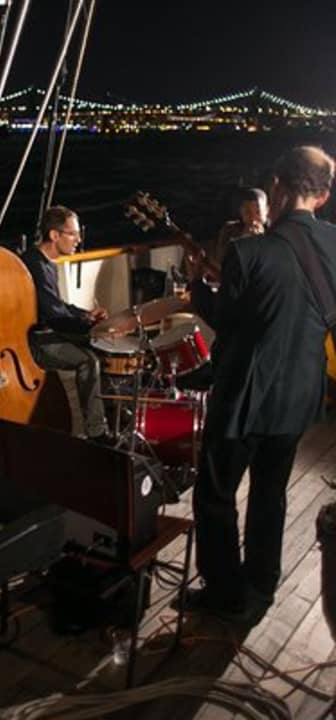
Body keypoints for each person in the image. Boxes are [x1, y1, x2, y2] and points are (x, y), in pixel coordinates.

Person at [184, 146, 336, 624]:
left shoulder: (247, 253)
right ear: (324, 196)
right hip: (301, 395)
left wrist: (197, 287)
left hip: (244, 399)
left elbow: (226, 322)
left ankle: (225, 592)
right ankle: (262, 584)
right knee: (271, 491)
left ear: (277, 187)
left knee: (215, 494)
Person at [21, 206, 109, 438]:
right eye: (73, 234)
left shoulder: (44, 261)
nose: (78, 240)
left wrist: (86, 315)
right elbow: (55, 317)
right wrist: (93, 328)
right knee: (89, 360)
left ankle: (101, 418)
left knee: (99, 348)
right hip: (34, 340)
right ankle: (96, 432)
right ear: (54, 235)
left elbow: (58, 305)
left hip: (46, 331)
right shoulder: (36, 266)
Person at [207, 187, 269, 269]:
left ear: (266, 210)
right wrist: (243, 239)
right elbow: (220, 261)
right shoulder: (229, 230)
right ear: (241, 211)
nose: (253, 220)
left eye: (258, 212)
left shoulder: (273, 233)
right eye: (247, 212)